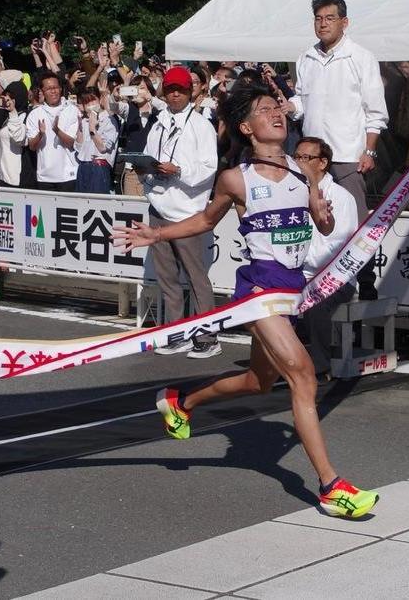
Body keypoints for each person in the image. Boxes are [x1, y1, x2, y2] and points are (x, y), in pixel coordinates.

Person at [113, 83, 378, 519]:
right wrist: (155, 233)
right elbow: (204, 219)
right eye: (264, 109)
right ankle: (332, 487)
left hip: (293, 289)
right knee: (303, 375)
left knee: (259, 382)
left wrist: (325, 215)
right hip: (258, 290)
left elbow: (323, 225)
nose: (276, 113)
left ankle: (182, 401)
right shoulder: (236, 178)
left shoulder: (302, 171)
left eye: (277, 106)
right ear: (246, 126)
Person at [286, 0, 388, 300]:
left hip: (346, 155)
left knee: (354, 223)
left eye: (329, 18)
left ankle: (364, 283)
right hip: (309, 156)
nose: (322, 24)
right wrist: (288, 106)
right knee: (312, 220)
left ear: (344, 22)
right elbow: (301, 101)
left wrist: (368, 150)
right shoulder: (306, 57)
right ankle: (311, 283)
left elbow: (376, 111)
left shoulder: (360, 56)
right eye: (318, 18)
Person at [143, 66, 221, 359]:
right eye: (170, 89)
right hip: (160, 206)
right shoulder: (159, 122)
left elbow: (209, 168)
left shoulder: (201, 125)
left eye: (181, 90)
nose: (175, 94)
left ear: (192, 92)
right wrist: (149, 174)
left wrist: (180, 171)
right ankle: (176, 332)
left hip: (188, 211)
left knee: (195, 275)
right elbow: (149, 159)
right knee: (167, 276)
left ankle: (207, 335)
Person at [296, 137, 358, 379]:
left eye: (306, 158)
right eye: (297, 157)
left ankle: (320, 367)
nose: (299, 163)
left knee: (316, 302)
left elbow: (339, 247)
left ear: (323, 163)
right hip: (298, 271)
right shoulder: (292, 192)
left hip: (334, 276)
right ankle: (281, 363)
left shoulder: (342, 198)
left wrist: (303, 263)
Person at [26, 72, 80, 191]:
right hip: (44, 177)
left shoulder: (72, 110)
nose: (53, 91)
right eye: (49, 89)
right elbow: (32, 146)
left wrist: (57, 130)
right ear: (42, 91)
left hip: (67, 176)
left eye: (55, 88)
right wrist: (40, 134)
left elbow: (71, 143)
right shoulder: (35, 114)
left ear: (60, 89)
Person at [75, 92, 118, 194]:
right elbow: (78, 148)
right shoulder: (84, 121)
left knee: (98, 203)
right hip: (82, 166)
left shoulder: (108, 120)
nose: (91, 105)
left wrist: (92, 129)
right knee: (81, 204)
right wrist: (80, 128)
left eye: (93, 101)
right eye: (87, 103)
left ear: (100, 100)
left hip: (99, 167)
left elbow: (103, 148)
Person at [0, 80, 29, 187]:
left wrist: (13, 112)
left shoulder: (26, 117)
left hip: (15, 179)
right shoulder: (6, 116)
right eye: (6, 97)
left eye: (11, 98)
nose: (8, 101)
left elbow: (19, 139)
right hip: (2, 176)